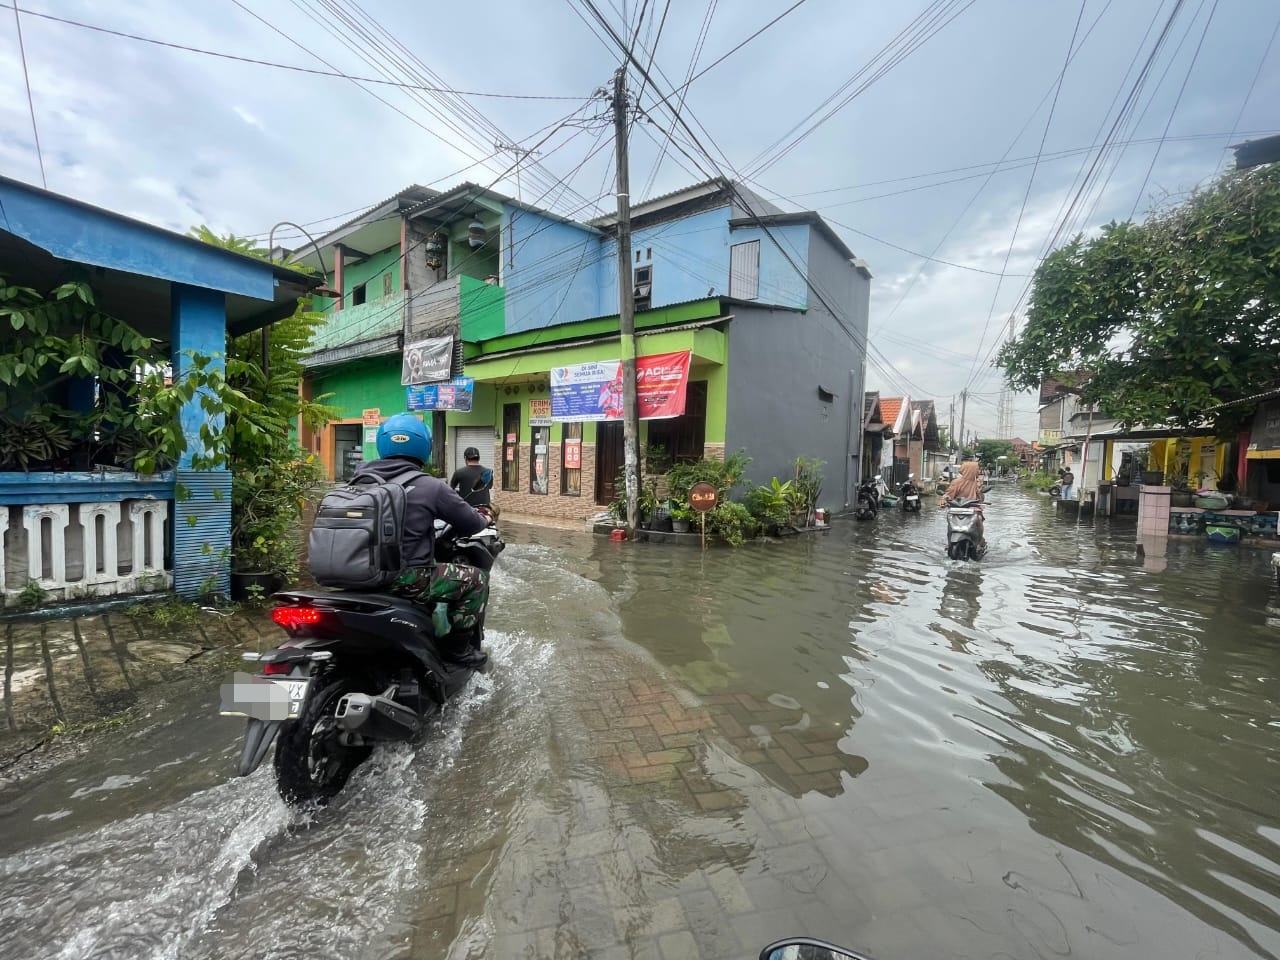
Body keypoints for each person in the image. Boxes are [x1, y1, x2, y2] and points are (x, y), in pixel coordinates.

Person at [363, 414, 491, 665]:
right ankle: (457, 650)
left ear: (381, 443)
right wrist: (485, 516)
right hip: (404, 577)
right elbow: (472, 523)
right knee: (477, 580)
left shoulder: (359, 481)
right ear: (424, 446)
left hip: (351, 574)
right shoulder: (429, 486)